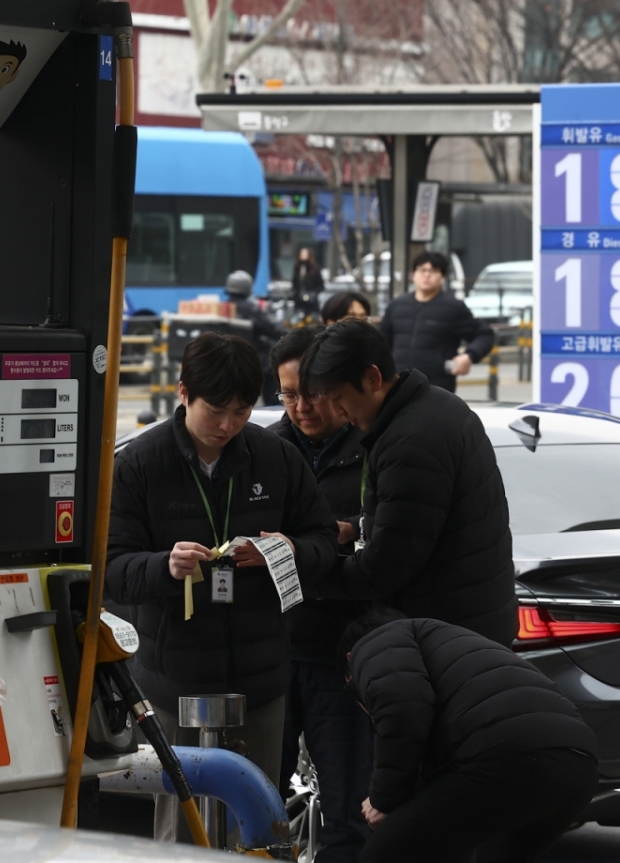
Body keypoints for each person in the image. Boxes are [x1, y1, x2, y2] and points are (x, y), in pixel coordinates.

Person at [106, 333, 338, 843]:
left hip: (259, 683)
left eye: (241, 411)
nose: (228, 425)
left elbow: (323, 541)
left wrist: (285, 550)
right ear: (184, 392)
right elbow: (112, 567)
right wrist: (164, 567)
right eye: (216, 410)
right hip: (176, 684)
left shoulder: (276, 458)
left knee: (257, 827)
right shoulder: (140, 464)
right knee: (183, 829)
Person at [299, 320, 516, 645]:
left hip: (447, 637)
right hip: (473, 622)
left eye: (338, 397)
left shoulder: (410, 443)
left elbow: (384, 568)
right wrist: (354, 527)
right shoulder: (438, 405)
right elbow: (417, 518)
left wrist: (300, 573)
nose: (338, 412)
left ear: (372, 378)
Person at [339, 610, 598, 863]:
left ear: (351, 659)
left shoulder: (375, 645)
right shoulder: (450, 646)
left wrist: (383, 801)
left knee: (383, 854)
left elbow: (402, 712)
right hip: (579, 766)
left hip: (509, 756)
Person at [267, 328, 373, 862]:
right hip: (274, 650)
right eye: (288, 395)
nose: (301, 407)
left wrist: (347, 530)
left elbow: (390, 530)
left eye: (311, 394)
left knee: (349, 814)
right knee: (258, 805)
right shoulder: (263, 450)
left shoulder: (374, 447)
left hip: (343, 653)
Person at [378, 251, 494, 392]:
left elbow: (484, 334)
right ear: (413, 274)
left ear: (442, 276)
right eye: (422, 270)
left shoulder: (453, 308)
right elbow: (381, 344)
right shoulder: (397, 306)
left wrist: (469, 356)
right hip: (398, 384)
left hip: (436, 388)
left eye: (433, 271)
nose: (427, 275)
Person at [225, 269, 287, 405]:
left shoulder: (225, 308)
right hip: (254, 358)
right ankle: (274, 406)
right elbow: (272, 329)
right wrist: (289, 334)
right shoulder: (251, 309)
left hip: (230, 358)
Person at [292, 247, 325, 319]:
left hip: (312, 302)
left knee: (312, 319)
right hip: (299, 300)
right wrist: (296, 292)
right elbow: (295, 283)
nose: (302, 255)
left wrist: (314, 293)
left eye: (304, 254)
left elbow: (321, 285)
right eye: (301, 253)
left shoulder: (314, 269)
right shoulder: (297, 268)